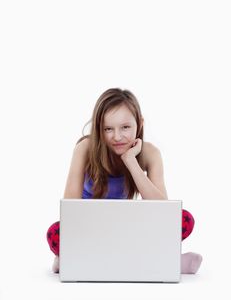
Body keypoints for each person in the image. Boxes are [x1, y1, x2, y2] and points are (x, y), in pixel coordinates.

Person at [46, 88, 203, 274]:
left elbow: (163, 212)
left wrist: (131, 161)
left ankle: (80, 260)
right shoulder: (85, 148)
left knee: (183, 219)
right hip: (91, 229)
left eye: (125, 127)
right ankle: (160, 261)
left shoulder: (150, 154)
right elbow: (69, 207)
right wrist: (82, 233)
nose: (117, 137)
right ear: (98, 128)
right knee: (56, 232)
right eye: (108, 129)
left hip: (127, 230)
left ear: (140, 123)